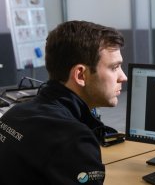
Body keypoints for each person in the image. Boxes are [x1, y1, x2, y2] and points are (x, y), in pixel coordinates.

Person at [0, 20, 127, 184]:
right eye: (114, 67)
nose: (123, 77)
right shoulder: (73, 140)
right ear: (80, 75)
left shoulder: (15, 113)